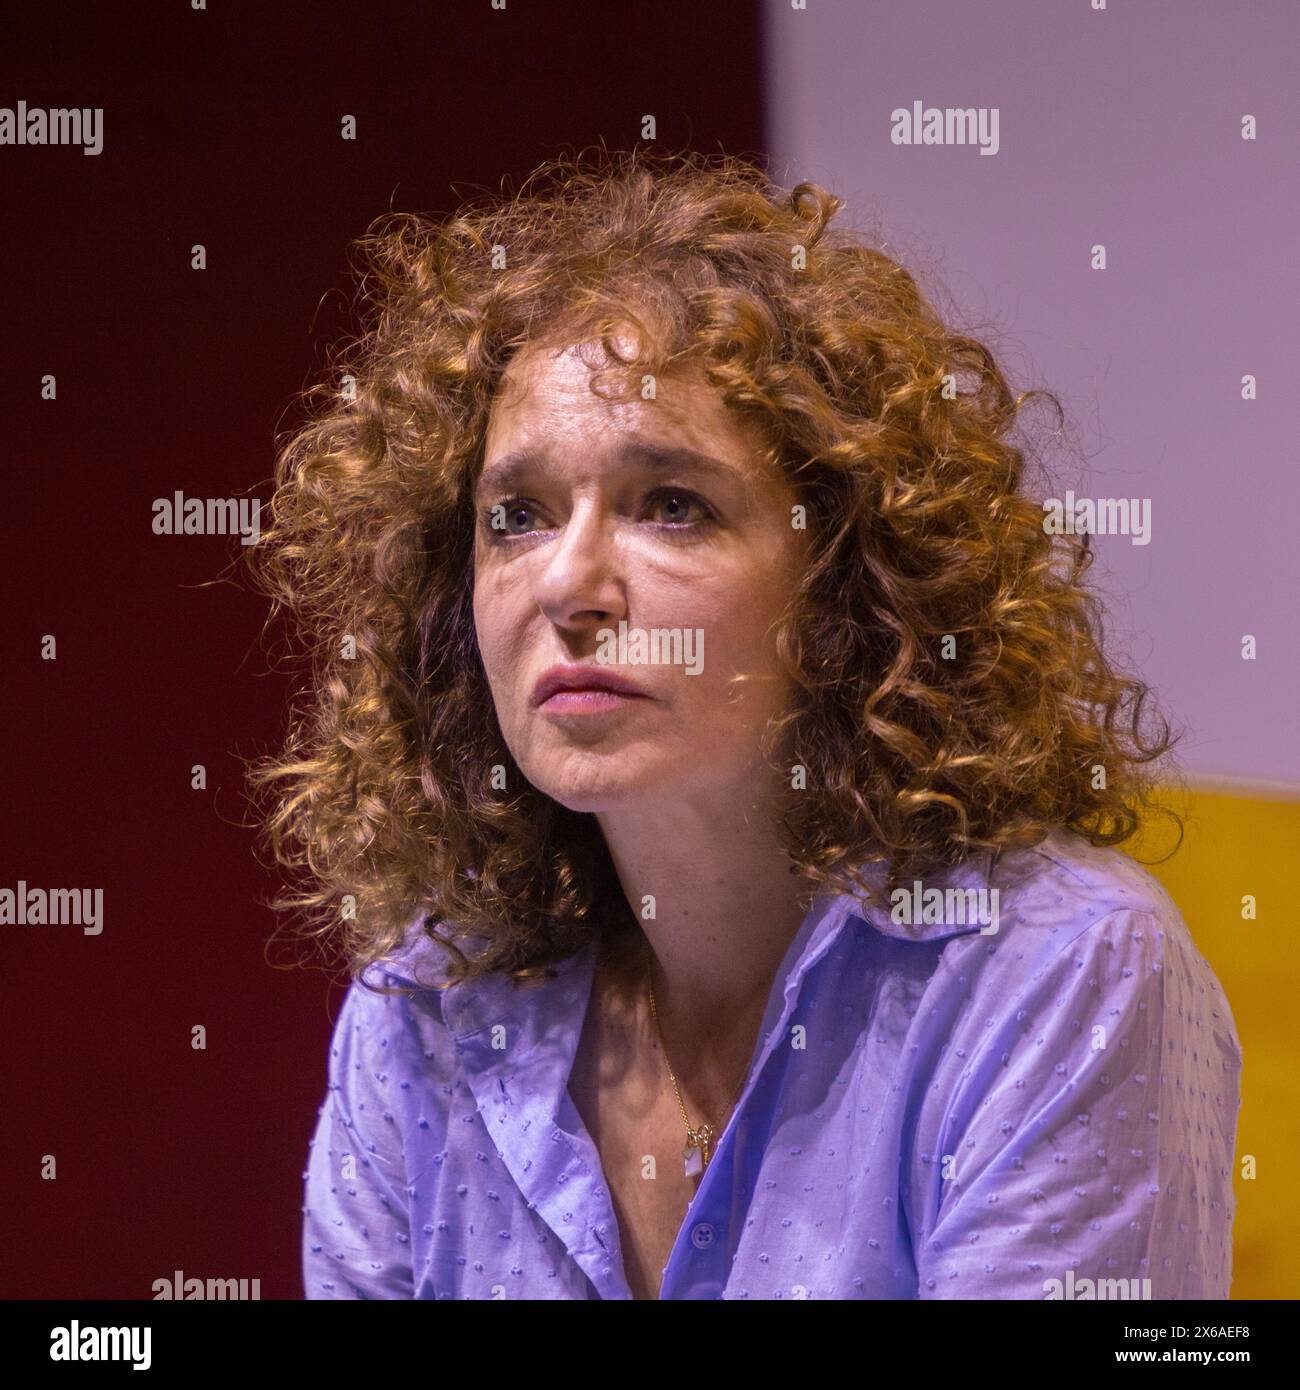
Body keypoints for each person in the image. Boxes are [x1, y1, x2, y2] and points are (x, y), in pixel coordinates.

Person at [245, 146, 1242, 1300]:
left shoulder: (1058, 970)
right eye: (513, 516)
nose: (570, 585)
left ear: (842, 584)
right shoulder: (424, 1011)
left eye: (671, 504)